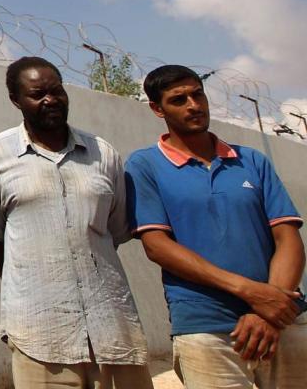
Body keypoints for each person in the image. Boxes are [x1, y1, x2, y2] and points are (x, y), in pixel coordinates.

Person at [0, 56, 152, 388]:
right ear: (16, 100)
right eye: (38, 94)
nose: (50, 100)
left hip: (111, 328)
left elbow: (112, 232)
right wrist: (29, 294)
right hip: (39, 334)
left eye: (57, 91)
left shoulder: (103, 154)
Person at [126, 65, 306, 389]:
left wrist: (267, 308)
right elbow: (157, 246)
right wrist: (250, 292)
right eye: (178, 99)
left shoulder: (251, 160)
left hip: (281, 319)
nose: (193, 105)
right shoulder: (145, 166)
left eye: (197, 94)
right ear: (157, 108)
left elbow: (288, 238)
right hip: (204, 326)